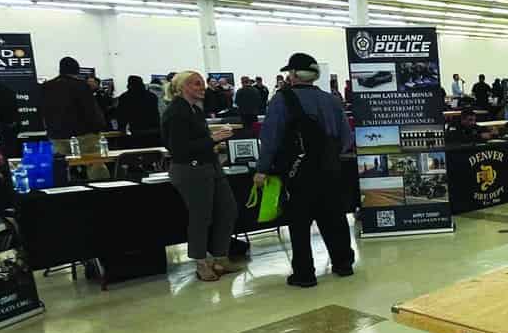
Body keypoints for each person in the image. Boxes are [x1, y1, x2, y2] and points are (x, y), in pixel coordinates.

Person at [255, 52, 354, 288]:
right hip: (329, 168)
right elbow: (346, 137)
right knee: (334, 217)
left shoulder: (281, 100)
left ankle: (305, 273)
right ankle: (343, 264)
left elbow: (270, 138)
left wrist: (262, 169)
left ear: (293, 74)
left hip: (298, 171)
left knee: (299, 223)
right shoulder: (331, 99)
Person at [162, 70, 239, 282]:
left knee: (228, 208)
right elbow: (179, 149)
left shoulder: (194, 109)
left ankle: (220, 256)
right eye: (196, 84)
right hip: (190, 170)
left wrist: (213, 141)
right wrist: (213, 139)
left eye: (202, 83)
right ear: (181, 87)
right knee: (201, 216)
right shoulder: (176, 112)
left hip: (209, 166)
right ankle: (200, 261)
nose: (202, 87)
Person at [39, 56, 107, 180]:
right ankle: (103, 190)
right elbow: (91, 110)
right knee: (95, 164)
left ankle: (64, 191)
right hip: (84, 134)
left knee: (62, 167)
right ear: (77, 71)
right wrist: (98, 127)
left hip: (57, 135)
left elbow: (43, 111)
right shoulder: (81, 86)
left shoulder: (46, 87)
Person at [116, 75, 162, 141]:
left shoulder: (125, 97)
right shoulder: (152, 96)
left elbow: (122, 116)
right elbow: (157, 112)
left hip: (136, 130)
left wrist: (121, 129)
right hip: (154, 129)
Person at [0, 71, 21, 159]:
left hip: (5, 129)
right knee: (9, 154)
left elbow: (9, 109)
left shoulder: (2, 91)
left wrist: (10, 122)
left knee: (8, 153)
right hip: (5, 128)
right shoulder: (3, 89)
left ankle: (10, 170)